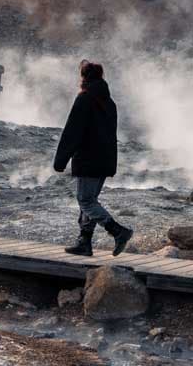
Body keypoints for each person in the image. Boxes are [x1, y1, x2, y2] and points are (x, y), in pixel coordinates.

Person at [53, 60, 134, 257]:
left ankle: (117, 231)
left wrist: (60, 161)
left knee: (85, 200)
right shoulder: (109, 102)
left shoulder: (85, 99)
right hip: (104, 160)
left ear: (84, 77)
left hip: (89, 159)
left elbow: (72, 132)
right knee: (90, 200)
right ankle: (84, 242)